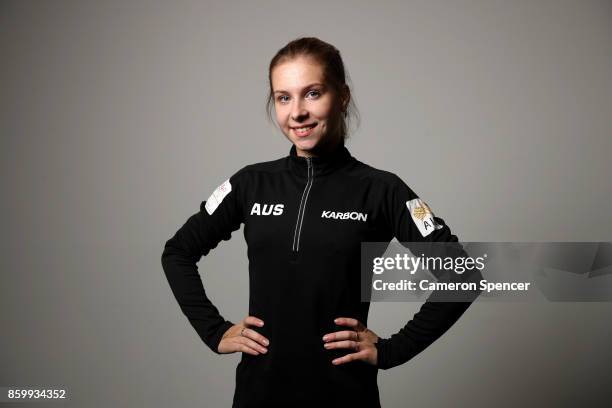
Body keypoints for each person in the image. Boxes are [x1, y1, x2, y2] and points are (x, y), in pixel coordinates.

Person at [161, 37, 477, 408]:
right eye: (283, 97)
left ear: (341, 97)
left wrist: (393, 350)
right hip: (258, 396)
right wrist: (213, 331)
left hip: (344, 397)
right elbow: (177, 252)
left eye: (312, 93)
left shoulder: (382, 190)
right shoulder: (250, 183)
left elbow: (463, 275)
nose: (297, 113)